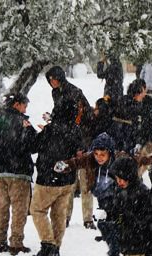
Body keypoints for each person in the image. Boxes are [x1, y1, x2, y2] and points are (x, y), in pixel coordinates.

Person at [55, 133, 152, 256]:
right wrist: (65, 166)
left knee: (119, 224)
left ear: (109, 152)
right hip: (102, 197)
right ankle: (117, 251)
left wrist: (149, 160)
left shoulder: (118, 158)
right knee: (104, 225)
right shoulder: (90, 159)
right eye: (96, 154)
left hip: (119, 197)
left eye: (102, 154)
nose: (99, 158)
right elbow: (77, 162)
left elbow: (135, 160)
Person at [0, 93, 37, 255]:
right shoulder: (23, 122)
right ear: (16, 104)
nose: (25, 108)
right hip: (18, 171)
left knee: (1, 206)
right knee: (19, 208)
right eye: (24, 105)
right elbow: (34, 145)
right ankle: (16, 242)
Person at [30, 108, 83, 256]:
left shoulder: (50, 129)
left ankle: (48, 243)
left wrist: (30, 130)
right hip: (68, 178)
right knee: (59, 214)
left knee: (38, 210)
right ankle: (56, 245)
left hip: (48, 178)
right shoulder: (76, 130)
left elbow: (33, 146)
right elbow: (79, 150)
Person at [45, 66, 94, 228]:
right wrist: (52, 120)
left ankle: (87, 218)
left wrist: (79, 138)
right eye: (49, 79)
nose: (52, 82)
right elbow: (60, 114)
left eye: (54, 79)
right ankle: (66, 216)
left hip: (82, 139)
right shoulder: (55, 93)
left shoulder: (73, 92)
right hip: (66, 141)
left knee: (85, 180)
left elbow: (82, 116)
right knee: (69, 182)